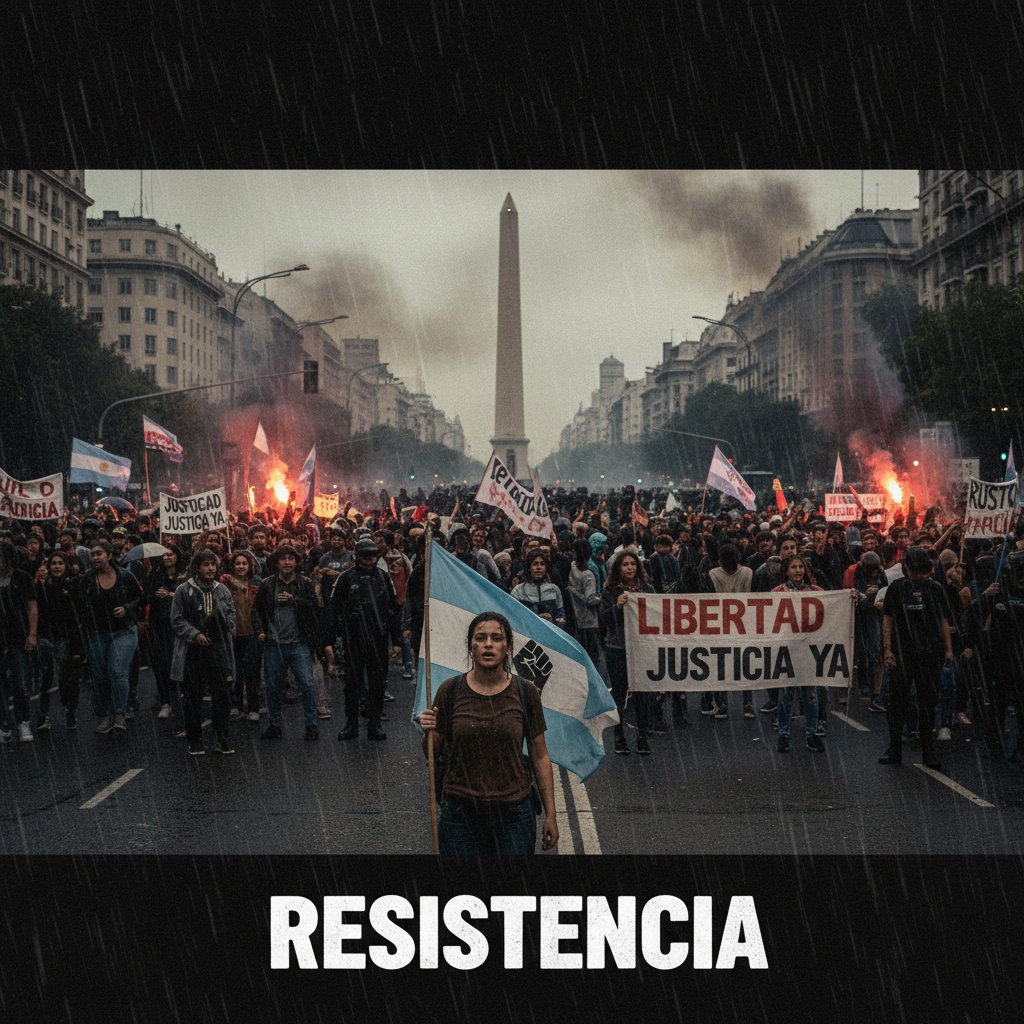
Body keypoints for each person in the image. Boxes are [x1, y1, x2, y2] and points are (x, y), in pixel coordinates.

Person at [417, 612, 558, 855]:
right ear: (471, 647)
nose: (488, 644)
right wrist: (428, 730)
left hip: (514, 813)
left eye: (496, 638)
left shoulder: (526, 692)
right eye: (480, 638)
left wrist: (552, 815)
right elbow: (432, 752)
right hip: (460, 813)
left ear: (508, 647)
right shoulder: (450, 690)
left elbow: (539, 756)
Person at [879, 546, 953, 770]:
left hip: (929, 652)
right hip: (903, 653)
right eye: (915, 571)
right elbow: (888, 619)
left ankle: (928, 751)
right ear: (905, 569)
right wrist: (888, 649)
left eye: (923, 571)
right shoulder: (896, 589)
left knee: (928, 703)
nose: (920, 576)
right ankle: (895, 748)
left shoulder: (935, 588)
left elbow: (943, 620)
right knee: (897, 701)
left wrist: (948, 649)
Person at [332, 537, 402, 742]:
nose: (369, 560)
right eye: (365, 556)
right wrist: (329, 640)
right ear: (357, 557)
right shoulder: (346, 578)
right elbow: (334, 609)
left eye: (373, 555)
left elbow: (392, 609)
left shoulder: (382, 577)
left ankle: (375, 724)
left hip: (378, 638)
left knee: (377, 683)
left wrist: (396, 639)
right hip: (353, 638)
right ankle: (351, 724)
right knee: (352, 684)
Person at [170, 550, 237, 756]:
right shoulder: (184, 590)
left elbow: (231, 613)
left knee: (222, 695)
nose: (210, 569)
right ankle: (195, 738)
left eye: (213, 565)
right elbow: (177, 619)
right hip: (193, 651)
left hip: (218, 650)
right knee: (193, 696)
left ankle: (222, 737)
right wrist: (194, 633)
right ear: (197, 568)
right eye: (206, 565)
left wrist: (229, 625)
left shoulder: (222, 590)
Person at [252, 545, 322, 741]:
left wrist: (295, 600)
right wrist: (260, 632)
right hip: (274, 644)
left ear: (296, 562)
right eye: (283, 559)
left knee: (307, 685)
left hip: (298, 643)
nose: (287, 562)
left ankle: (311, 724)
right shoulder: (267, 585)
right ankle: (275, 724)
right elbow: (257, 611)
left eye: (291, 558)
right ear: (276, 563)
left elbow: (315, 608)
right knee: (273, 686)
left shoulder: (305, 583)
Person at [78, 540, 144, 735]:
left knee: (117, 671)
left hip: (124, 631)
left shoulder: (125, 575)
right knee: (100, 676)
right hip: (97, 633)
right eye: (93, 554)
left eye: (99, 553)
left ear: (108, 555)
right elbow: (80, 604)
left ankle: (120, 713)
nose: (95, 557)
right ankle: (107, 715)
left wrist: (127, 608)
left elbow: (140, 597)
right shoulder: (87, 579)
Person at [599, 551, 653, 755]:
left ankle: (642, 736)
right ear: (618, 569)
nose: (629, 568)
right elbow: (603, 619)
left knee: (641, 694)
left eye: (633, 564)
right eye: (625, 565)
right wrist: (617, 606)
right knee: (620, 694)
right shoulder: (611, 591)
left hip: (641, 649)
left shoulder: (647, 589)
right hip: (617, 649)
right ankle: (619, 736)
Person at [772, 554, 825, 753]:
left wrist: (850, 596)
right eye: (793, 567)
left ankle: (811, 733)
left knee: (810, 694)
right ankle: (784, 734)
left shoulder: (816, 591)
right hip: (787, 649)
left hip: (810, 649)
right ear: (786, 570)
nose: (797, 571)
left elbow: (834, 605)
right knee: (786, 693)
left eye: (800, 567)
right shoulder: (777, 592)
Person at [34, 551, 83, 732]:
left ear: (66, 565)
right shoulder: (44, 586)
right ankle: (44, 715)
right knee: (47, 678)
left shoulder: (72, 585)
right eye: (53, 563)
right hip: (46, 637)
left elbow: (77, 616)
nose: (56, 567)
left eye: (60, 563)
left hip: (65, 638)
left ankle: (70, 710)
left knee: (66, 679)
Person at [0, 541, 38, 742]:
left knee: (20, 683)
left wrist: (32, 634)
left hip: (18, 637)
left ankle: (23, 722)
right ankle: (3, 725)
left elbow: (32, 607)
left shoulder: (22, 578)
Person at [148, 545, 190, 721]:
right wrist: (155, 594)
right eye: (164, 554)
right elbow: (146, 596)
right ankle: (166, 701)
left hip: (181, 627)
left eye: (171, 554)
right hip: (161, 626)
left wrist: (173, 595)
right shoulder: (156, 575)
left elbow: (191, 596)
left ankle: (185, 698)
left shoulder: (186, 575)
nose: (167, 557)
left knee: (183, 663)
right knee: (163, 664)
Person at [221, 550, 262, 722]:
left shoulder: (257, 584)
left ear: (250, 565)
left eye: (244, 563)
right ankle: (236, 704)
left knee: (252, 671)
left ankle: (253, 707)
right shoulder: (225, 584)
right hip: (233, 634)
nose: (241, 567)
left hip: (253, 633)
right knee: (235, 672)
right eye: (237, 564)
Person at [566, 538, 601, 664]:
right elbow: (590, 599)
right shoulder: (588, 575)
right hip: (588, 621)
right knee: (592, 657)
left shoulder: (572, 567)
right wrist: (599, 598)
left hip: (575, 616)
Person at [511, 551, 567, 629]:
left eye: (542, 564)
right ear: (529, 567)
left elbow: (561, 616)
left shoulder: (554, 589)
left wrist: (553, 620)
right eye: (535, 564)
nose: (539, 567)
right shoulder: (518, 591)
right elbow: (514, 618)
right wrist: (536, 619)